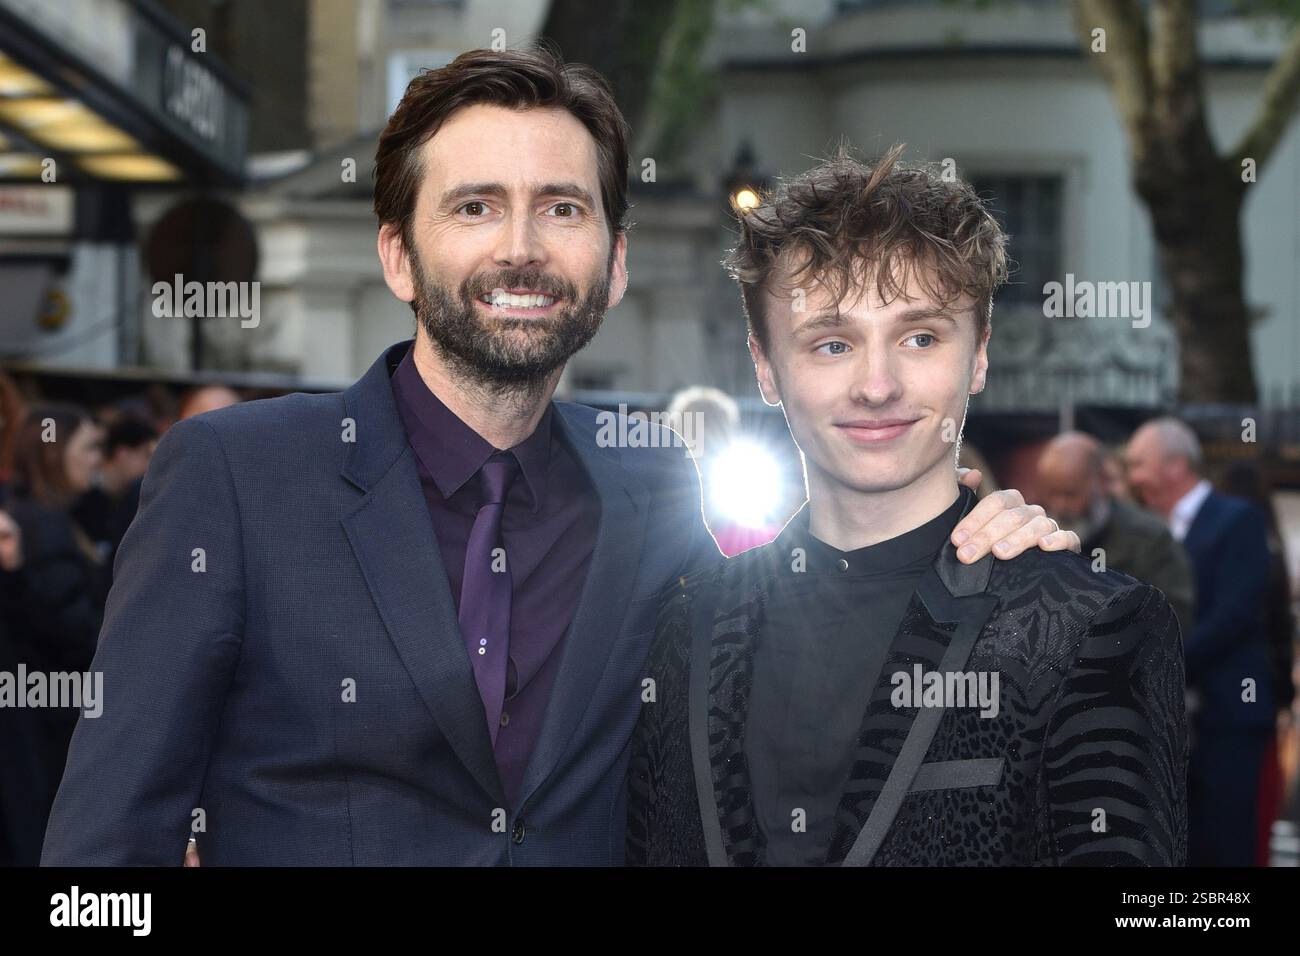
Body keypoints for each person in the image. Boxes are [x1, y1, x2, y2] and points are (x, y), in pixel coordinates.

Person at [42, 47, 1075, 867]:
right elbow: (104, 843)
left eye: (563, 208)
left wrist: (974, 539)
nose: (523, 247)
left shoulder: (663, 486)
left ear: (614, 263)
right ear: (398, 251)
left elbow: (821, 640)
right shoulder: (236, 474)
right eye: (475, 205)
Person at [627, 145, 1187, 866]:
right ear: (766, 367)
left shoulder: (1088, 626)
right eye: (832, 343)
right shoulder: (685, 624)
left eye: (920, 337)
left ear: (979, 355)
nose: (878, 384)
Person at [1125, 417, 1274, 866]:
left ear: (1174, 465)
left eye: (1138, 464)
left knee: (1226, 841)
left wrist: (1161, 664)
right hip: (1166, 722)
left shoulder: (1238, 519)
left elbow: (1236, 615)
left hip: (1226, 715)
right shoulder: (1144, 529)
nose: (1132, 477)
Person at [1, 403, 106, 865]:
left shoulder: (44, 518)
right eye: (89, 447)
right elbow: (67, 624)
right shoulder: (43, 524)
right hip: (48, 718)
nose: (96, 459)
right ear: (54, 453)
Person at [1037, 430, 1195, 636]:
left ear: (1102, 482)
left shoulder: (1150, 538)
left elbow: (1174, 619)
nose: (1060, 506)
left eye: (1070, 493)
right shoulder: (1041, 539)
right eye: (1052, 493)